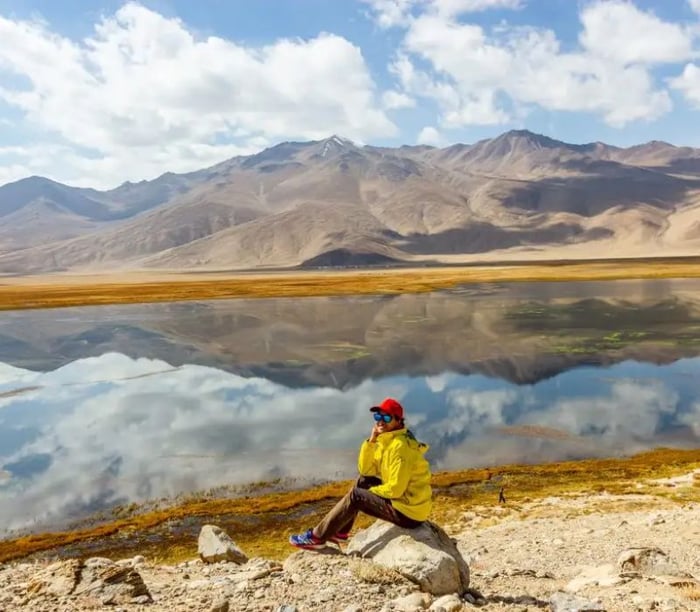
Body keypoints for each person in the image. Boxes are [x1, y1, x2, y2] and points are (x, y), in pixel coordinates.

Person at [289, 397, 432, 550]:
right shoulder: (388, 441)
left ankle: (317, 537)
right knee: (363, 480)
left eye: (386, 417)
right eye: (378, 417)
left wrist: (368, 493)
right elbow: (366, 471)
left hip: (409, 513)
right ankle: (340, 532)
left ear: (398, 421)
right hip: (407, 504)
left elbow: (396, 490)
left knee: (356, 495)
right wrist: (371, 441)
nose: (380, 421)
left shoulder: (399, 447)